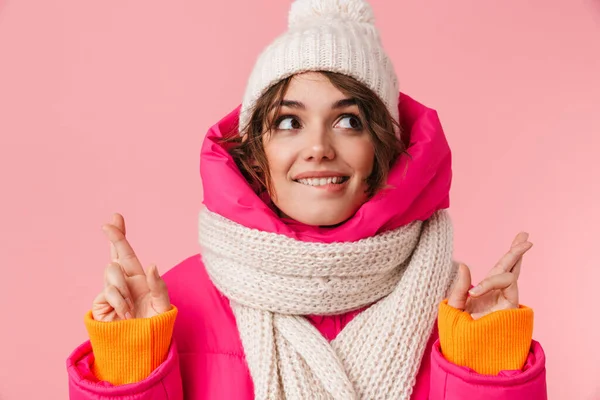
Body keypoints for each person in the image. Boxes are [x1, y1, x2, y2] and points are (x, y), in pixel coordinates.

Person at [66, 0, 547, 398]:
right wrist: (129, 358)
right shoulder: (175, 303)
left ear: (383, 149)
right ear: (257, 152)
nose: (318, 147)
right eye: (289, 122)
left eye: (349, 121)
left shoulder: (459, 310)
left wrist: (489, 363)